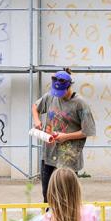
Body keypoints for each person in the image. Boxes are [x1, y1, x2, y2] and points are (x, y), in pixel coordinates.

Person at [32, 68, 96, 202]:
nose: (58, 96)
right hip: (49, 154)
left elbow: (87, 130)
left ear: (69, 87)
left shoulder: (80, 104)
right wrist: (37, 120)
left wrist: (65, 137)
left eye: (61, 92)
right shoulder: (50, 97)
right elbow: (35, 106)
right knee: (47, 194)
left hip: (68, 157)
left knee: (66, 196)